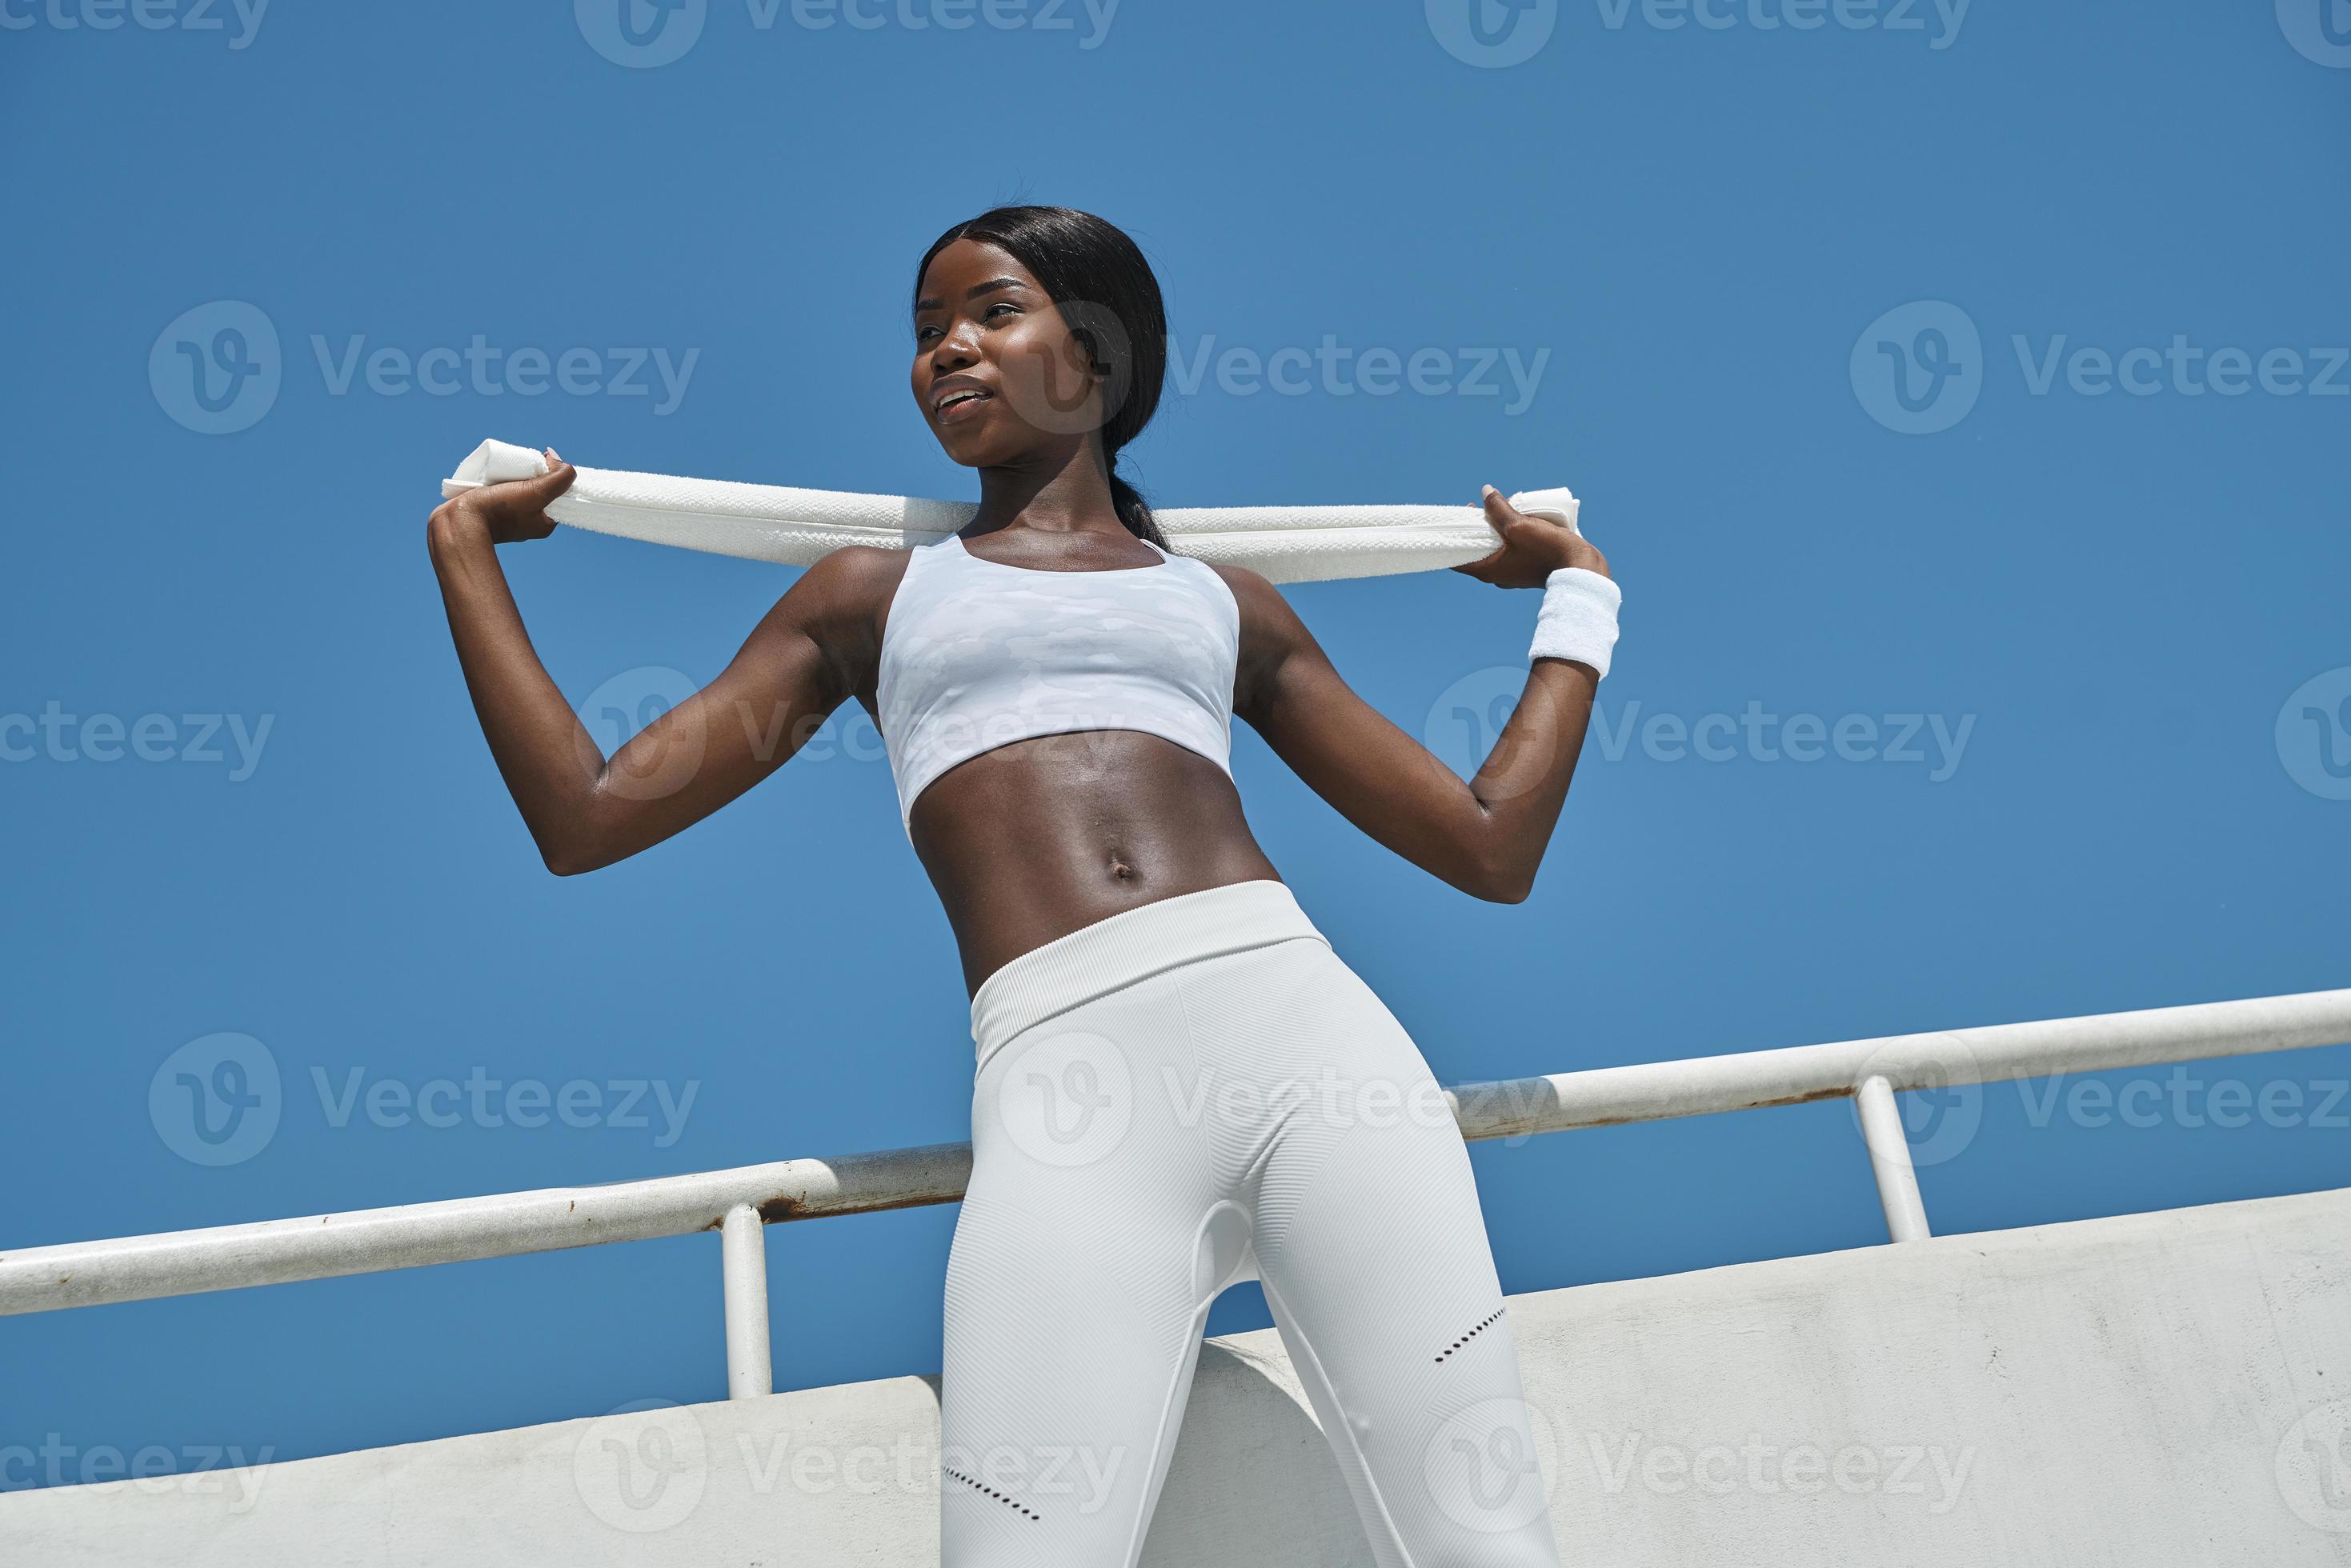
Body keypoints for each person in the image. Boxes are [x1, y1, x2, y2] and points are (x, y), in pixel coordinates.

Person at [424, 204, 1618, 1567]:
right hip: (1068, 1096)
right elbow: (586, 818)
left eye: (992, 312)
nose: (948, 350)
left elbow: (1486, 846)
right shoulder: (866, 598)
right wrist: (462, 555)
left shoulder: (1229, 603)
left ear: (1096, 355)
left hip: (1315, 1056)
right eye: (926, 331)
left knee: (1487, 1543)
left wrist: (1576, 600)